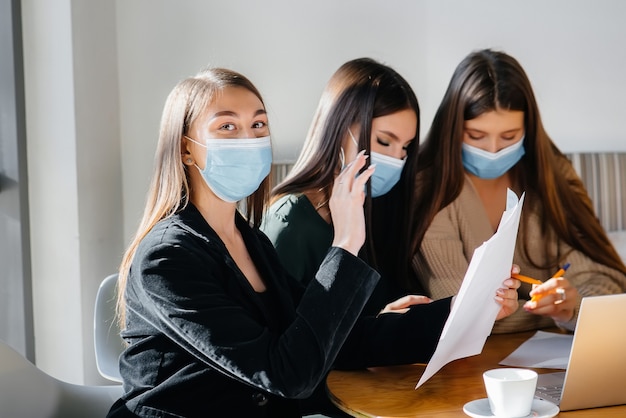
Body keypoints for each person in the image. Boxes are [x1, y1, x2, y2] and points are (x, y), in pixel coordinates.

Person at [107, 66, 519, 418]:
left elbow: (331, 341)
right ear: (185, 148)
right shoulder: (166, 258)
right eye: (227, 126)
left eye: (258, 125)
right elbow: (287, 373)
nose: (249, 139)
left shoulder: (249, 242)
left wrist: (474, 306)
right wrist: (344, 245)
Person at [412, 49, 626, 334]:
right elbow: (458, 312)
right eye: (476, 136)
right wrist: (560, 317)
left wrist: (571, 303)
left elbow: (606, 284)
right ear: (452, 128)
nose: (493, 150)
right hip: (468, 365)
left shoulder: (553, 175)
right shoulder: (428, 188)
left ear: (528, 129)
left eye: (509, 137)